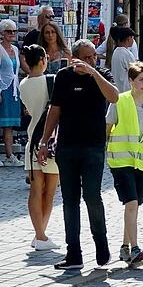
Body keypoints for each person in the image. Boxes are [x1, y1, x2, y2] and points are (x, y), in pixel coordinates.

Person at [38, 39, 119, 270]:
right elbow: (55, 109)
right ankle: (74, 253)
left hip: (93, 146)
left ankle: (101, 245)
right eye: (87, 58)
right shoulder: (63, 77)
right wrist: (45, 140)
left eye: (94, 56)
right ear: (75, 58)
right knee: (69, 201)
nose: (92, 60)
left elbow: (114, 97)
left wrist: (94, 72)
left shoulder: (101, 74)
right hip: (67, 146)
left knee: (92, 196)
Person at [105, 62, 143, 265]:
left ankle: (124, 246)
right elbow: (107, 127)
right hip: (122, 160)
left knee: (135, 204)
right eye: (141, 79)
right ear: (130, 81)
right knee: (131, 202)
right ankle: (135, 247)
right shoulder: (119, 101)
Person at [19, 45, 60, 250]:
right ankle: (41, 234)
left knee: (35, 190)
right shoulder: (51, 81)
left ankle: (39, 234)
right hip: (51, 139)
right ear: (43, 60)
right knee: (49, 192)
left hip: (32, 139)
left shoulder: (23, 84)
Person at [0, 19, 24, 167]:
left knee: (9, 125)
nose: (12, 34)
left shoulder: (15, 49)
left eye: (14, 31)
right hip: (2, 89)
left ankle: (10, 156)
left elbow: (17, 70)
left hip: (13, 90)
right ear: (3, 33)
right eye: (9, 31)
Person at [109, 27, 137, 93]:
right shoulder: (126, 54)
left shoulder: (116, 51)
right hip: (126, 90)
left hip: (117, 89)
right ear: (128, 39)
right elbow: (135, 71)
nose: (133, 40)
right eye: (132, 38)